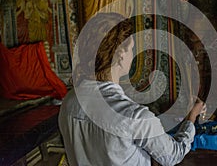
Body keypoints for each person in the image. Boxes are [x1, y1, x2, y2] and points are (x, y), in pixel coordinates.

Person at [58, 12, 206, 166]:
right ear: (121, 54)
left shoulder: (69, 101)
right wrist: (191, 118)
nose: (133, 55)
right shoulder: (134, 117)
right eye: (132, 49)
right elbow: (173, 155)